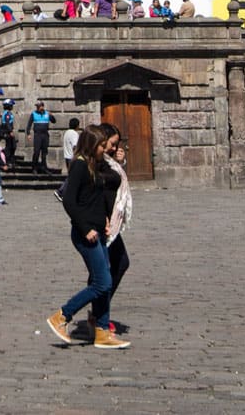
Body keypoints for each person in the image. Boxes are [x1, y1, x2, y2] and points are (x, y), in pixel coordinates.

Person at [46, 128, 129, 348]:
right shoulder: (81, 165)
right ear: (92, 145)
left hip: (99, 229)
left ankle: (102, 331)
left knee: (102, 281)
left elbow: (112, 182)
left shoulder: (96, 165)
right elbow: (69, 201)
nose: (106, 150)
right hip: (86, 234)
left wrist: (106, 219)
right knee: (103, 282)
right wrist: (85, 228)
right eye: (102, 146)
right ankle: (62, 316)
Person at [98, 123, 133, 337]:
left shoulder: (108, 162)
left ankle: (99, 314)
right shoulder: (97, 161)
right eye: (112, 144)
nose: (114, 148)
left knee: (114, 266)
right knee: (107, 269)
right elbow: (97, 189)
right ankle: (93, 317)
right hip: (103, 224)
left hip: (111, 221)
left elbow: (114, 183)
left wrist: (119, 163)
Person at [56, 116, 80, 201]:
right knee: (72, 177)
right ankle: (60, 191)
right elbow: (75, 146)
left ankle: (68, 193)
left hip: (67, 157)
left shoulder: (67, 133)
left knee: (72, 176)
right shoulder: (74, 134)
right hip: (72, 157)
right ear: (77, 125)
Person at [27, 101, 53, 173]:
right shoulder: (33, 114)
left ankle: (44, 167)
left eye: (39, 106)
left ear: (42, 106)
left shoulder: (47, 114)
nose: (38, 108)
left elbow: (54, 121)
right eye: (37, 106)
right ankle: (34, 167)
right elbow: (29, 124)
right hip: (37, 135)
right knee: (36, 151)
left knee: (44, 152)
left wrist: (52, 116)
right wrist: (28, 134)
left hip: (45, 135)